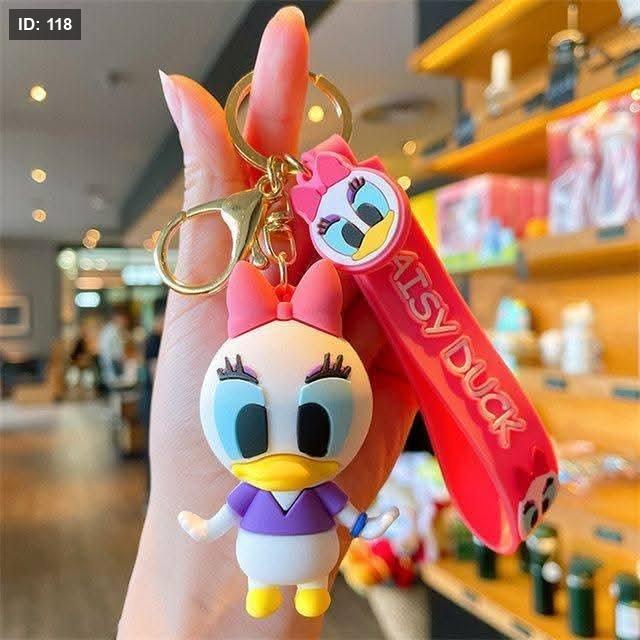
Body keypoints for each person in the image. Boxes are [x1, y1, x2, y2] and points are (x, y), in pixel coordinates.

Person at [118, 7, 417, 639]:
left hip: (308, 560)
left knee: (308, 587)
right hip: (267, 559)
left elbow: (343, 513)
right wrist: (195, 526)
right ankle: (266, 593)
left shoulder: (313, 486)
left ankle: (302, 592)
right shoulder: (263, 487)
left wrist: (368, 524)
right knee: (270, 586)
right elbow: (224, 516)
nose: (283, 447)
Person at [98, 306, 128, 389]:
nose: (125, 322)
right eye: (123, 319)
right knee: (114, 387)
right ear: (117, 318)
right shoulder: (109, 331)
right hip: (111, 365)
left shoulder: (116, 330)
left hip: (115, 364)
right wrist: (111, 365)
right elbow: (105, 351)